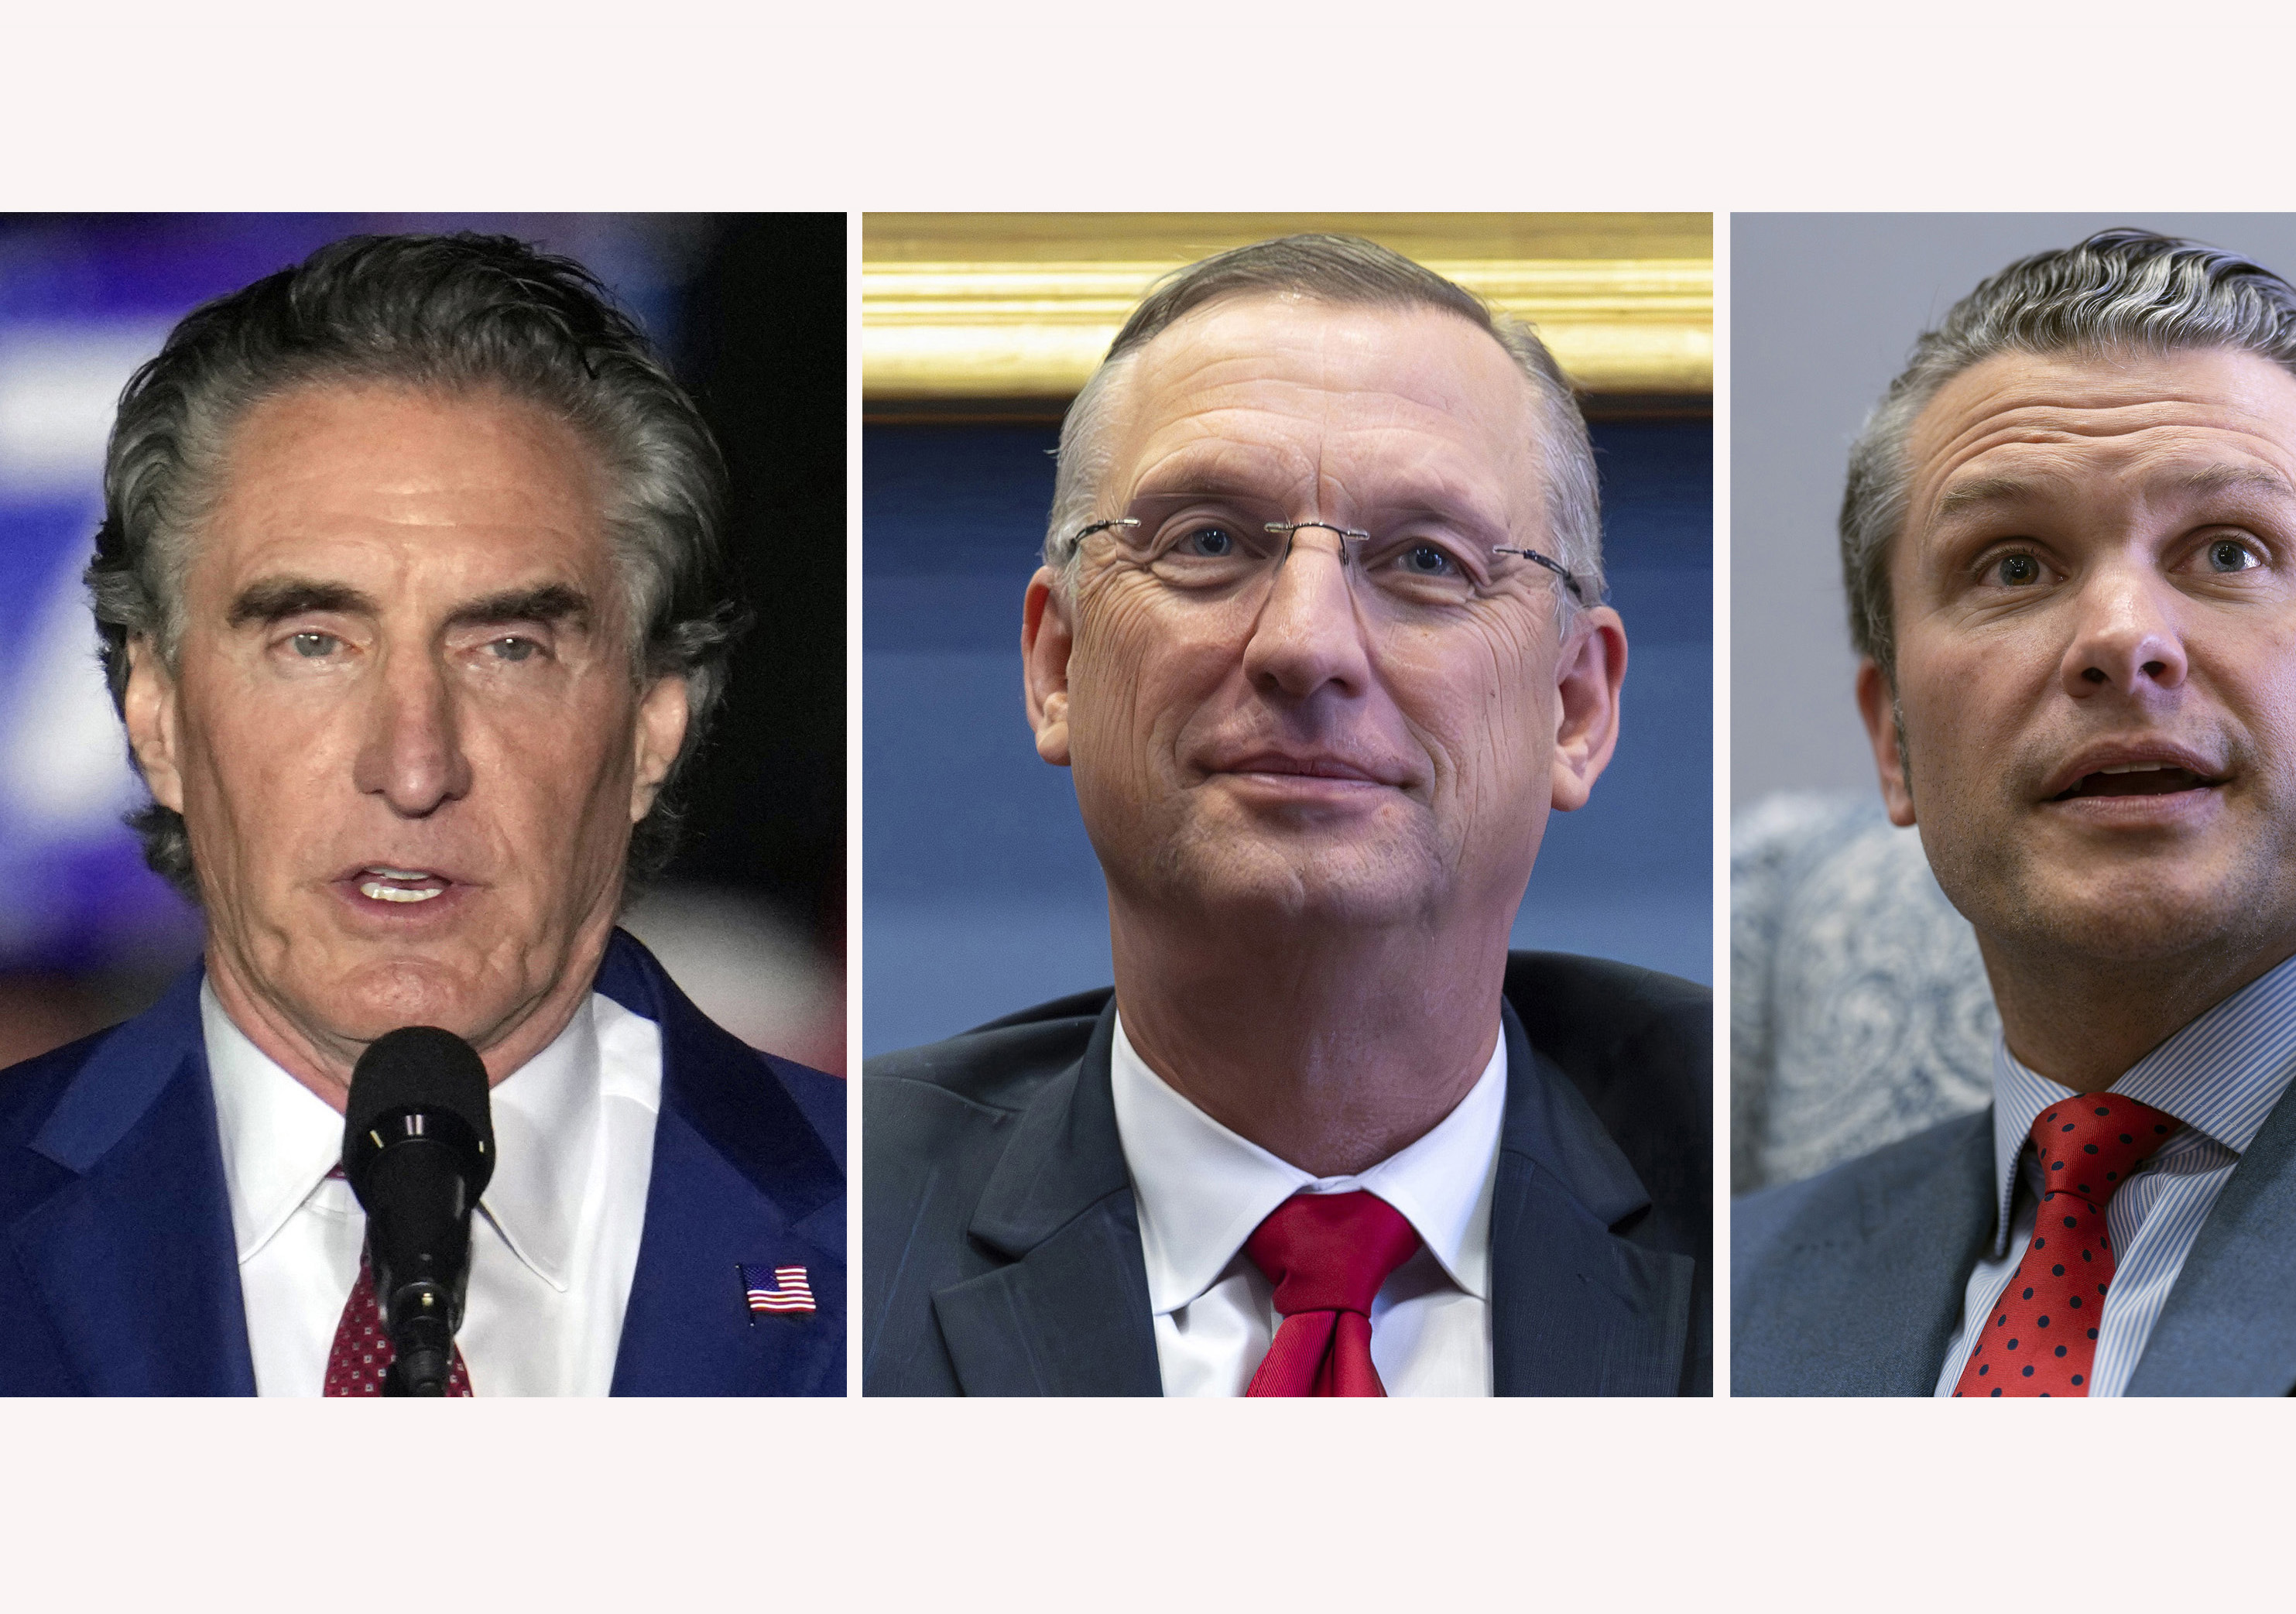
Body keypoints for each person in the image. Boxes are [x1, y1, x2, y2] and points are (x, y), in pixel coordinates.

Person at [1732, 228, 2296, 1396]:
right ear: (1895, 741)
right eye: (2013, 567)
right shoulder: (1728, 1291)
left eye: (2227, 550)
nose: (2121, 638)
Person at [862, 235, 1710, 1396]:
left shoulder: (1750, 1191)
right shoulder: (840, 1221)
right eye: (1207, 543)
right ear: (1058, 663)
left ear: (1573, 704)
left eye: (1425, 559)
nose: (1305, 644)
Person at [0, 234, 844, 1396]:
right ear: (155, 713)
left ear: (652, 725)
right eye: (312, 642)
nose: (412, 765)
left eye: (506, 646)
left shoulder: (908, 1240)